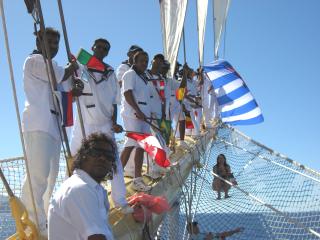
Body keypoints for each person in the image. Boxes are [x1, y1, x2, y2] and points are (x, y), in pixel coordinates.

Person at [20, 27, 80, 236]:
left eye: (56, 43)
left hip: (53, 127)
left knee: (50, 177)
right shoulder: (34, 60)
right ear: (38, 43)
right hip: (38, 124)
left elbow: (62, 91)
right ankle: (32, 222)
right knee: (38, 176)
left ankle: (43, 219)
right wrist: (73, 68)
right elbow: (59, 76)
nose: (53, 47)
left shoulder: (52, 66)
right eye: (49, 42)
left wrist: (75, 91)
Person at [70, 38, 131, 211]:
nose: (102, 50)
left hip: (105, 123)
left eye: (106, 48)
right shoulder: (80, 67)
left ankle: (120, 201)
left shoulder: (110, 72)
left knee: (114, 162)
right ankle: (72, 199)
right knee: (75, 158)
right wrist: (72, 67)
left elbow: (114, 101)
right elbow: (72, 92)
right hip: (84, 122)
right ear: (92, 48)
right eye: (99, 47)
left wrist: (114, 122)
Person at [48, 133, 117, 240]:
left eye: (109, 156)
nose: (103, 158)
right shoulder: (80, 189)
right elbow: (96, 237)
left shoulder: (94, 189)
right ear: (84, 155)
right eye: (97, 152)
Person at [120, 51, 152, 191]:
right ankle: (117, 177)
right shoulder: (130, 74)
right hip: (133, 114)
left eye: (146, 61)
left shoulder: (144, 78)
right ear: (135, 61)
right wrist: (138, 111)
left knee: (141, 146)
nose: (144, 64)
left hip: (143, 116)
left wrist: (145, 113)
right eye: (142, 61)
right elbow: (127, 93)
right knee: (131, 143)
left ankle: (137, 179)